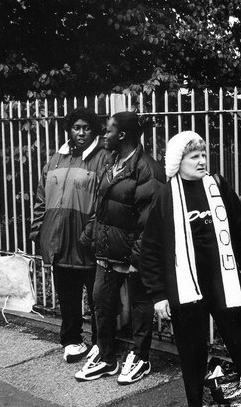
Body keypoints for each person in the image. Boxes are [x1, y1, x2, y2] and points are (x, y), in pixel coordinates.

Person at [139, 131, 241, 407]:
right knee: (192, 349)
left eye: (203, 155)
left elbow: (239, 228)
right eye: (193, 157)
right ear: (178, 161)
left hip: (223, 282)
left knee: (240, 343)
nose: (201, 162)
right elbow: (150, 250)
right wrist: (159, 294)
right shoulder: (165, 196)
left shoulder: (218, 186)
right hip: (184, 287)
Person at [75, 111, 165, 385]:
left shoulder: (149, 170)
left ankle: (140, 357)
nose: (103, 135)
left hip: (133, 254)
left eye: (108, 130)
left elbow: (150, 222)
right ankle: (106, 357)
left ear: (122, 135)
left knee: (140, 304)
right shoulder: (111, 162)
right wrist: (90, 237)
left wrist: (138, 258)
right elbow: (101, 206)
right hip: (106, 249)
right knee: (101, 301)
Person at [30, 108, 111, 363]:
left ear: (94, 130)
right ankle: (72, 341)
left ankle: (101, 344)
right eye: (76, 127)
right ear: (69, 129)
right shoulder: (56, 159)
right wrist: (38, 229)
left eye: (86, 128)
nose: (81, 132)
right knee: (67, 296)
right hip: (58, 241)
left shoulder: (103, 159)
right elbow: (42, 198)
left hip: (87, 242)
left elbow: (104, 202)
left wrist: (91, 234)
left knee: (98, 298)